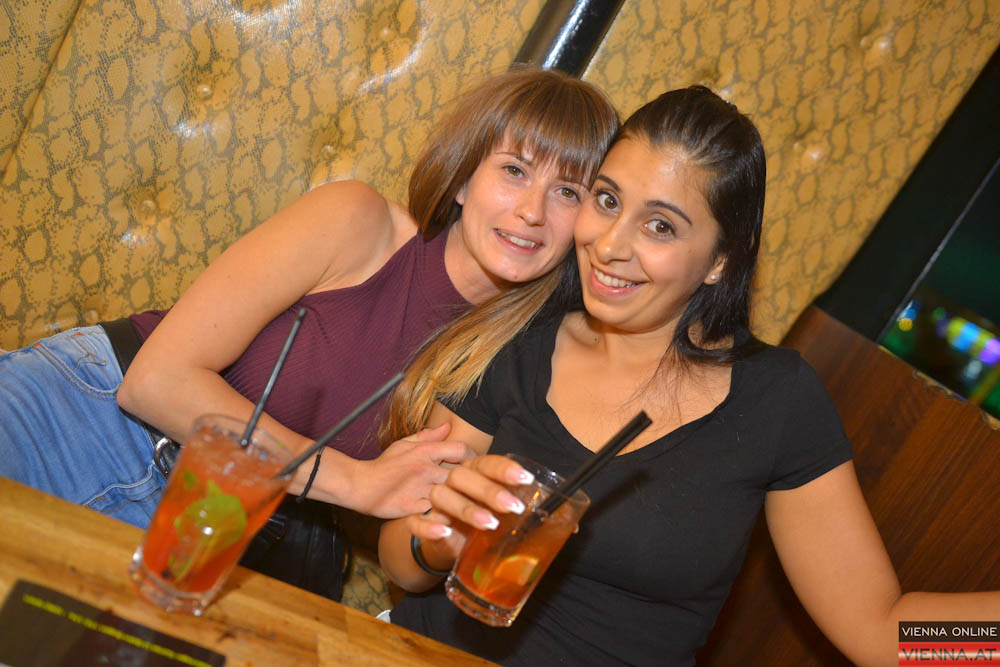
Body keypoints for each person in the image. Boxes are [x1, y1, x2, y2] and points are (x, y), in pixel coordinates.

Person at [377, 86, 1000, 666]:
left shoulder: (777, 402)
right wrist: (440, 538)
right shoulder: (515, 334)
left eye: (661, 226)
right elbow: (399, 561)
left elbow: (884, 632)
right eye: (607, 200)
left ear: (720, 260)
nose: (610, 245)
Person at [0, 67, 619, 598]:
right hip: (86, 415)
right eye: (513, 170)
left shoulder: (510, 362)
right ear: (463, 180)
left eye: (567, 192)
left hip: (216, 528)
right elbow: (154, 383)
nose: (532, 211)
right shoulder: (359, 223)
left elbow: (417, 540)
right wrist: (357, 483)